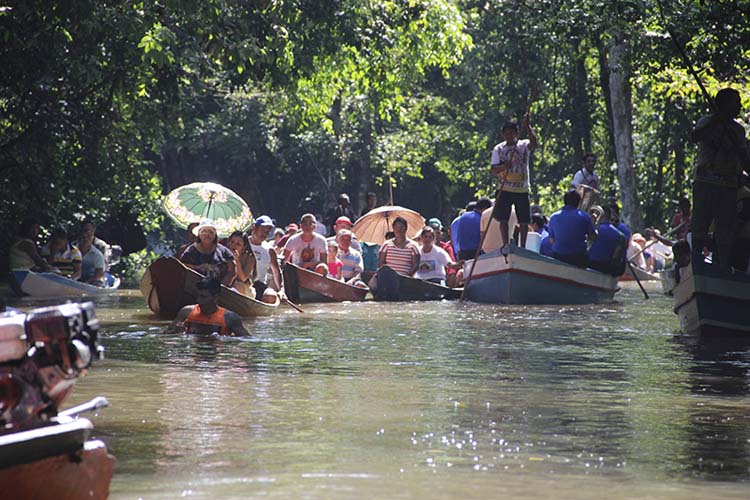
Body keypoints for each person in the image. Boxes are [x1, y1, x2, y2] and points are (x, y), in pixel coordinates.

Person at [689, 87, 750, 271]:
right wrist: (717, 120)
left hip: (728, 187)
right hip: (705, 183)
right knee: (700, 225)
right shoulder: (706, 122)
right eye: (735, 101)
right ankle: (696, 265)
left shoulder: (738, 130)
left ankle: (722, 267)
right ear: (724, 104)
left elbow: (743, 158)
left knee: (725, 232)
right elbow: (694, 137)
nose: (739, 105)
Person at [490, 118, 538, 249]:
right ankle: (506, 244)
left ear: (517, 133)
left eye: (512, 133)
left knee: (523, 221)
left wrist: (527, 126)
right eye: (506, 133)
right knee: (503, 219)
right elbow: (493, 169)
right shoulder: (499, 149)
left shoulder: (523, 145)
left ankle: (522, 246)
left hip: (521, 189)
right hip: (504, 188)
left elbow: (534, 143)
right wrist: (504, 166)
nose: (509, 136)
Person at [166, 277, 249, 336]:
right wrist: (176, 334)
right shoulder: (186, 312)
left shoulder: (230, 318)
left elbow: (247, 340)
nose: (198, 300)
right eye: (198, 296)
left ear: (216, 298)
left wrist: (226, 340)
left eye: (204, 297)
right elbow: (164, 335)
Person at [547, 189, 597, 268]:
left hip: (558, 256)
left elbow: (551, 240)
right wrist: (593, 224)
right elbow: (593, 237)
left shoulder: (553, 217)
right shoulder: (584, 217)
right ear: (578, 202)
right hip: (578, 258)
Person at [180, 220, 236, 286]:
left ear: (215, 235)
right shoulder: (190, 250)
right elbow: (183, 267)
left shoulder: (224, 251)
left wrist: (222, 287)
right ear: (199, 233)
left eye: (210, 232)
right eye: (204, 231)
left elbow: (232, 271)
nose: (207, 234)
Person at [247, 215, 283, 304]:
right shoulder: (243, 243)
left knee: (271, 297)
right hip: (244, 282)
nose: (264, 234)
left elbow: (276, 272)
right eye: (262, 230)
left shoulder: (269, 250)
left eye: (267, 232)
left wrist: (281, 290)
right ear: (254, 228)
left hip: (259, 285)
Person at [588, 206, 627, 275]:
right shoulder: (621, 236)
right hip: (606, 268)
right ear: (609, 217)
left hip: (590, 265)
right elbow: (616, 259)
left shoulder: (591, 230)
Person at [227, 231, 257, 298]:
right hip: (227, 285)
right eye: (232, 242)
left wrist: (237, 261)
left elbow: (242, 278)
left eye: (238, 244)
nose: (234, 246)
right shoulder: (224, 252)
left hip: (243, 289)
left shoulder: (250, 258)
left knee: (237, 285)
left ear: (244, 246)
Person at [77, 220, 107, 286]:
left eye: (87, 231)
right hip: (76, 278)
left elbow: (100, 273)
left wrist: (87, 282)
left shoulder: (99, 249)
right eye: (83, 231)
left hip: (93, 279)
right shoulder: (73, 248)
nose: (85, 235)